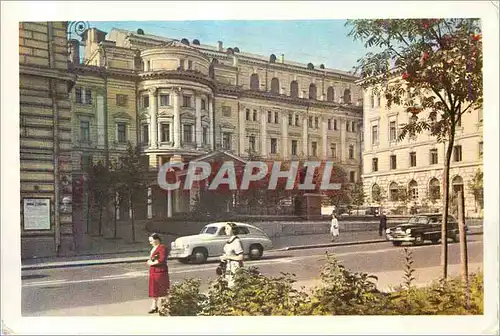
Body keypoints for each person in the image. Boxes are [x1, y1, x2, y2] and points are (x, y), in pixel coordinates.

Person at [147, 233, 170, 314]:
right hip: (153, 272)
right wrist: (150, 261)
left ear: (157, 240)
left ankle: (166, 306)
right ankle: (154, 306)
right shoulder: (154, 248)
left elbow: (162, 259)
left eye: (151, 240)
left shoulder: (162, 247)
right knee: (154, 289)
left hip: (160, 271)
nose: (150, 242)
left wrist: (152, 263)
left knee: (162, 289)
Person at [219, 222, 244, 288]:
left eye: (227, 228)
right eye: (225, 228)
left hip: (235, 267)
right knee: (227, 285)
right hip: (228, 267)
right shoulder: (229, 241)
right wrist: (223, 257)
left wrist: (227, 257)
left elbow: (240, 257)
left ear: (233, 230)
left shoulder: (236, 241)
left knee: (233, 286)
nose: (225, 230)